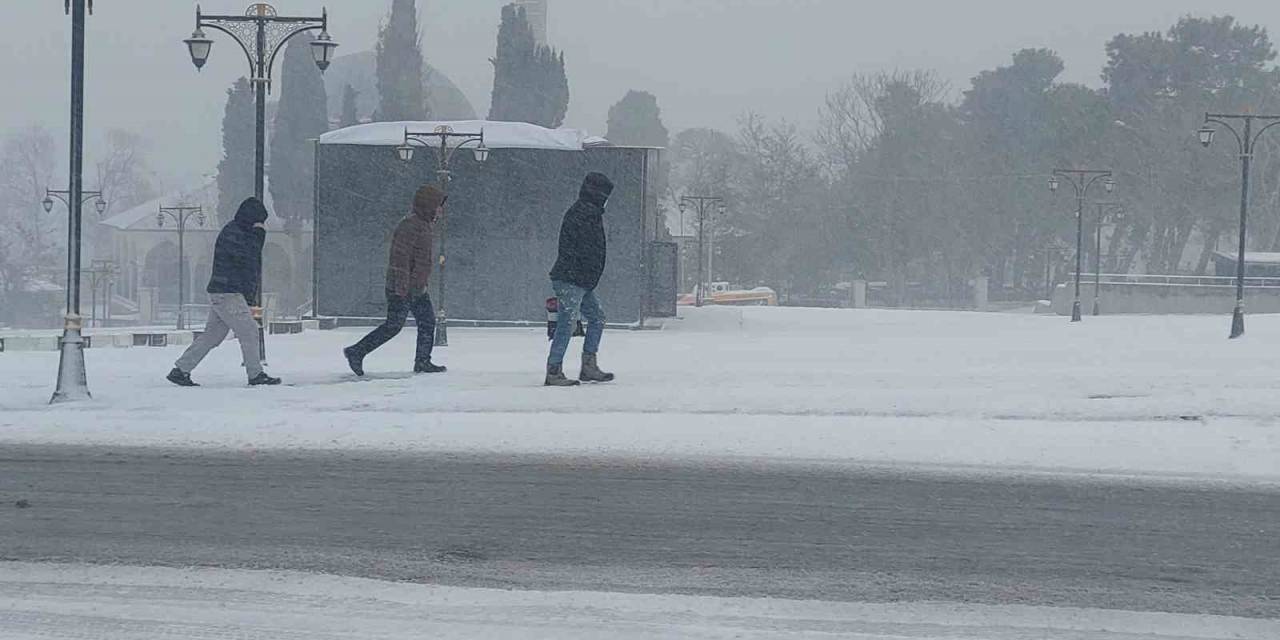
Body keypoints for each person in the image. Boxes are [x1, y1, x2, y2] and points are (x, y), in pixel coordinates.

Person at [167, 197, 281, 387]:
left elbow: (248, 264)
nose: (261, 225)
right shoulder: (237, 233)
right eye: (260, 221)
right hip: (229, 292)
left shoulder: (235, 231)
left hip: (223, 292)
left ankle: (180, 370)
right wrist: (259, 234)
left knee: (212, 336)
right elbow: (249, 258)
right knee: (250, 331)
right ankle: (255, 375)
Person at [344, 185, 447, 377]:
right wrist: (402, 287)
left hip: (415, 287)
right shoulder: (411, 225)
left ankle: (423, 361)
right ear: (429, 205)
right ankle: (356, 351)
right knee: (393, 326)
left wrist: (420, 284)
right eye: (438, 205)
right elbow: (400, 258)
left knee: (427, 322)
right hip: (403, 287)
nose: (441, 210)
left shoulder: (422, 225)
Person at [545, 172, 616, 387]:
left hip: (579, 280)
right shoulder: (584, 214)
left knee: (596, 318)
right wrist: (586, 274)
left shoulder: (586, 212)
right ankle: (554, 370)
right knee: (567, 323)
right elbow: (583, 249)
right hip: (572, 279)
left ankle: (587, 366)